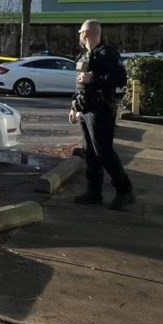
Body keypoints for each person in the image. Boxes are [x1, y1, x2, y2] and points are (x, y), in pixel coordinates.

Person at [67, 19, 135, 210]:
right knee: (90, 152)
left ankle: (125, 191)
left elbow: (121, 79)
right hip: (85, 109)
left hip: (101, 110)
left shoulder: (108, 54)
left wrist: (94, 78)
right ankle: (94, 191)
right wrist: (74, 107)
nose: (79, 36)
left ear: (86, 34)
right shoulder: (85, 55)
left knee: (103, 152)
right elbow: (79, 86)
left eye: (80, 32)